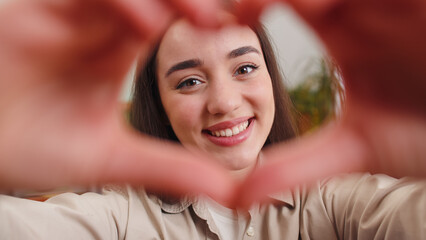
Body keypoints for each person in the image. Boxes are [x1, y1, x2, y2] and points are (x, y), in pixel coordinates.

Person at [2, 10, 426, 239]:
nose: (224, 102)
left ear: (270, 79)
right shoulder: (121, 217)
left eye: (244, 68)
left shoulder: (336, 204)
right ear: (161, 104)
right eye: (189, 81)